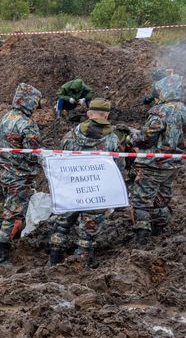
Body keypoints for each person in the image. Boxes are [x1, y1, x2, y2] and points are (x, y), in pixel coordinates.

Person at [48, 98, 127, 268]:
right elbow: (118, 168)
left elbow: (60, 160)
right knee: (88, 232)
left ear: (89, 113)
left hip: (72, 188)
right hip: (96, 191)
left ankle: (54, 261)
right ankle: (80, 266)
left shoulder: (71, 135)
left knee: (61, 226)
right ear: (106, 115)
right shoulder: (112, 140)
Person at [130, 74, 186, 247]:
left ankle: (142, 239)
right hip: (173, 162)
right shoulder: (185, 111)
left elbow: (146, 137)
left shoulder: (161, 111)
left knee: (141, 200)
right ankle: (160, 232)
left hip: (153, 163)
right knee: (162, 199)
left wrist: (132, 138)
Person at [0, 83, 43, 265]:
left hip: (5, 173)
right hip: (21, 177)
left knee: (5, 212)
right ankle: (1, 258)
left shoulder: (5, 118)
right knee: (13, 216)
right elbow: (33, 154)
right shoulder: (27, 124)